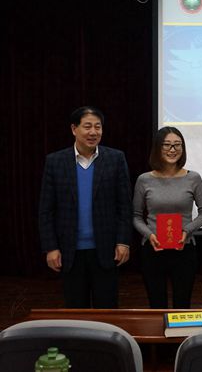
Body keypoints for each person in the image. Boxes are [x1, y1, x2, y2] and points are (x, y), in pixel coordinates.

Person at [38, 106, 132, 308]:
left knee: (107, 310)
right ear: (74, 129)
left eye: (98, 127)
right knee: (76, 312)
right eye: (87, 126)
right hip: (69, 251)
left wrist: (123, 241)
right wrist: (51, 247)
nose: (93, 132)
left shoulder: (115, 159)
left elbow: (124, 205)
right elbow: (46, 210)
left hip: (106, 250)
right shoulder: (55, 161)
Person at [133, 127, 202, 308]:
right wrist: (149, 235)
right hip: (153, 248)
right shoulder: (144, 180)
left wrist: (187, 231)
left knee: (182, 305)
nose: (172, 149)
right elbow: (136, 216)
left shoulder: (193, 178)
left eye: (177, 145)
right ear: (158, 148)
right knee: (156, 305)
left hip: (184, 248)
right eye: (167, 145)